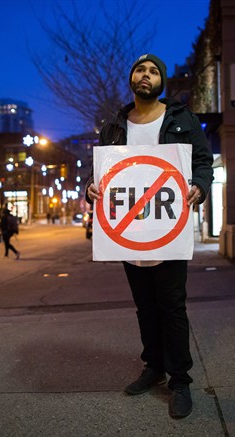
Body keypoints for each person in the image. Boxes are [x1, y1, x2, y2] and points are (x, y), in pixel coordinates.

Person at [85, 53, 214, 419]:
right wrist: (90, 188)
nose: (146, 75)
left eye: (154, 70)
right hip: (128, 232)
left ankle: (180, 380)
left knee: (171, 306)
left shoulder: (181, 118)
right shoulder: (113, 127)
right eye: (140, 70)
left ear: (162, 80)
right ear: (131, 79)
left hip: (168, 229)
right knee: (145, 306)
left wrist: (200, 187)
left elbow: (202, 163)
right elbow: (101, 175)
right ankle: (153, 366)